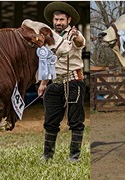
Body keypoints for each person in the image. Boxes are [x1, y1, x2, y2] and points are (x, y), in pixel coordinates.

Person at [40, 1, 86, 162]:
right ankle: (47, 155)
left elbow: (80, 43)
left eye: (61, 20)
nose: (58, 23)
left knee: (75, 120)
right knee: (50, 120)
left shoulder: (74, 34)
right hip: (55, 83)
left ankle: (74, 156)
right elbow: (48, 61)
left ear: (68, 21)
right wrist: (43, 83)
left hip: (73, 81)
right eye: (56, 20)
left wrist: (77, 36)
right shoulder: (49, 38)